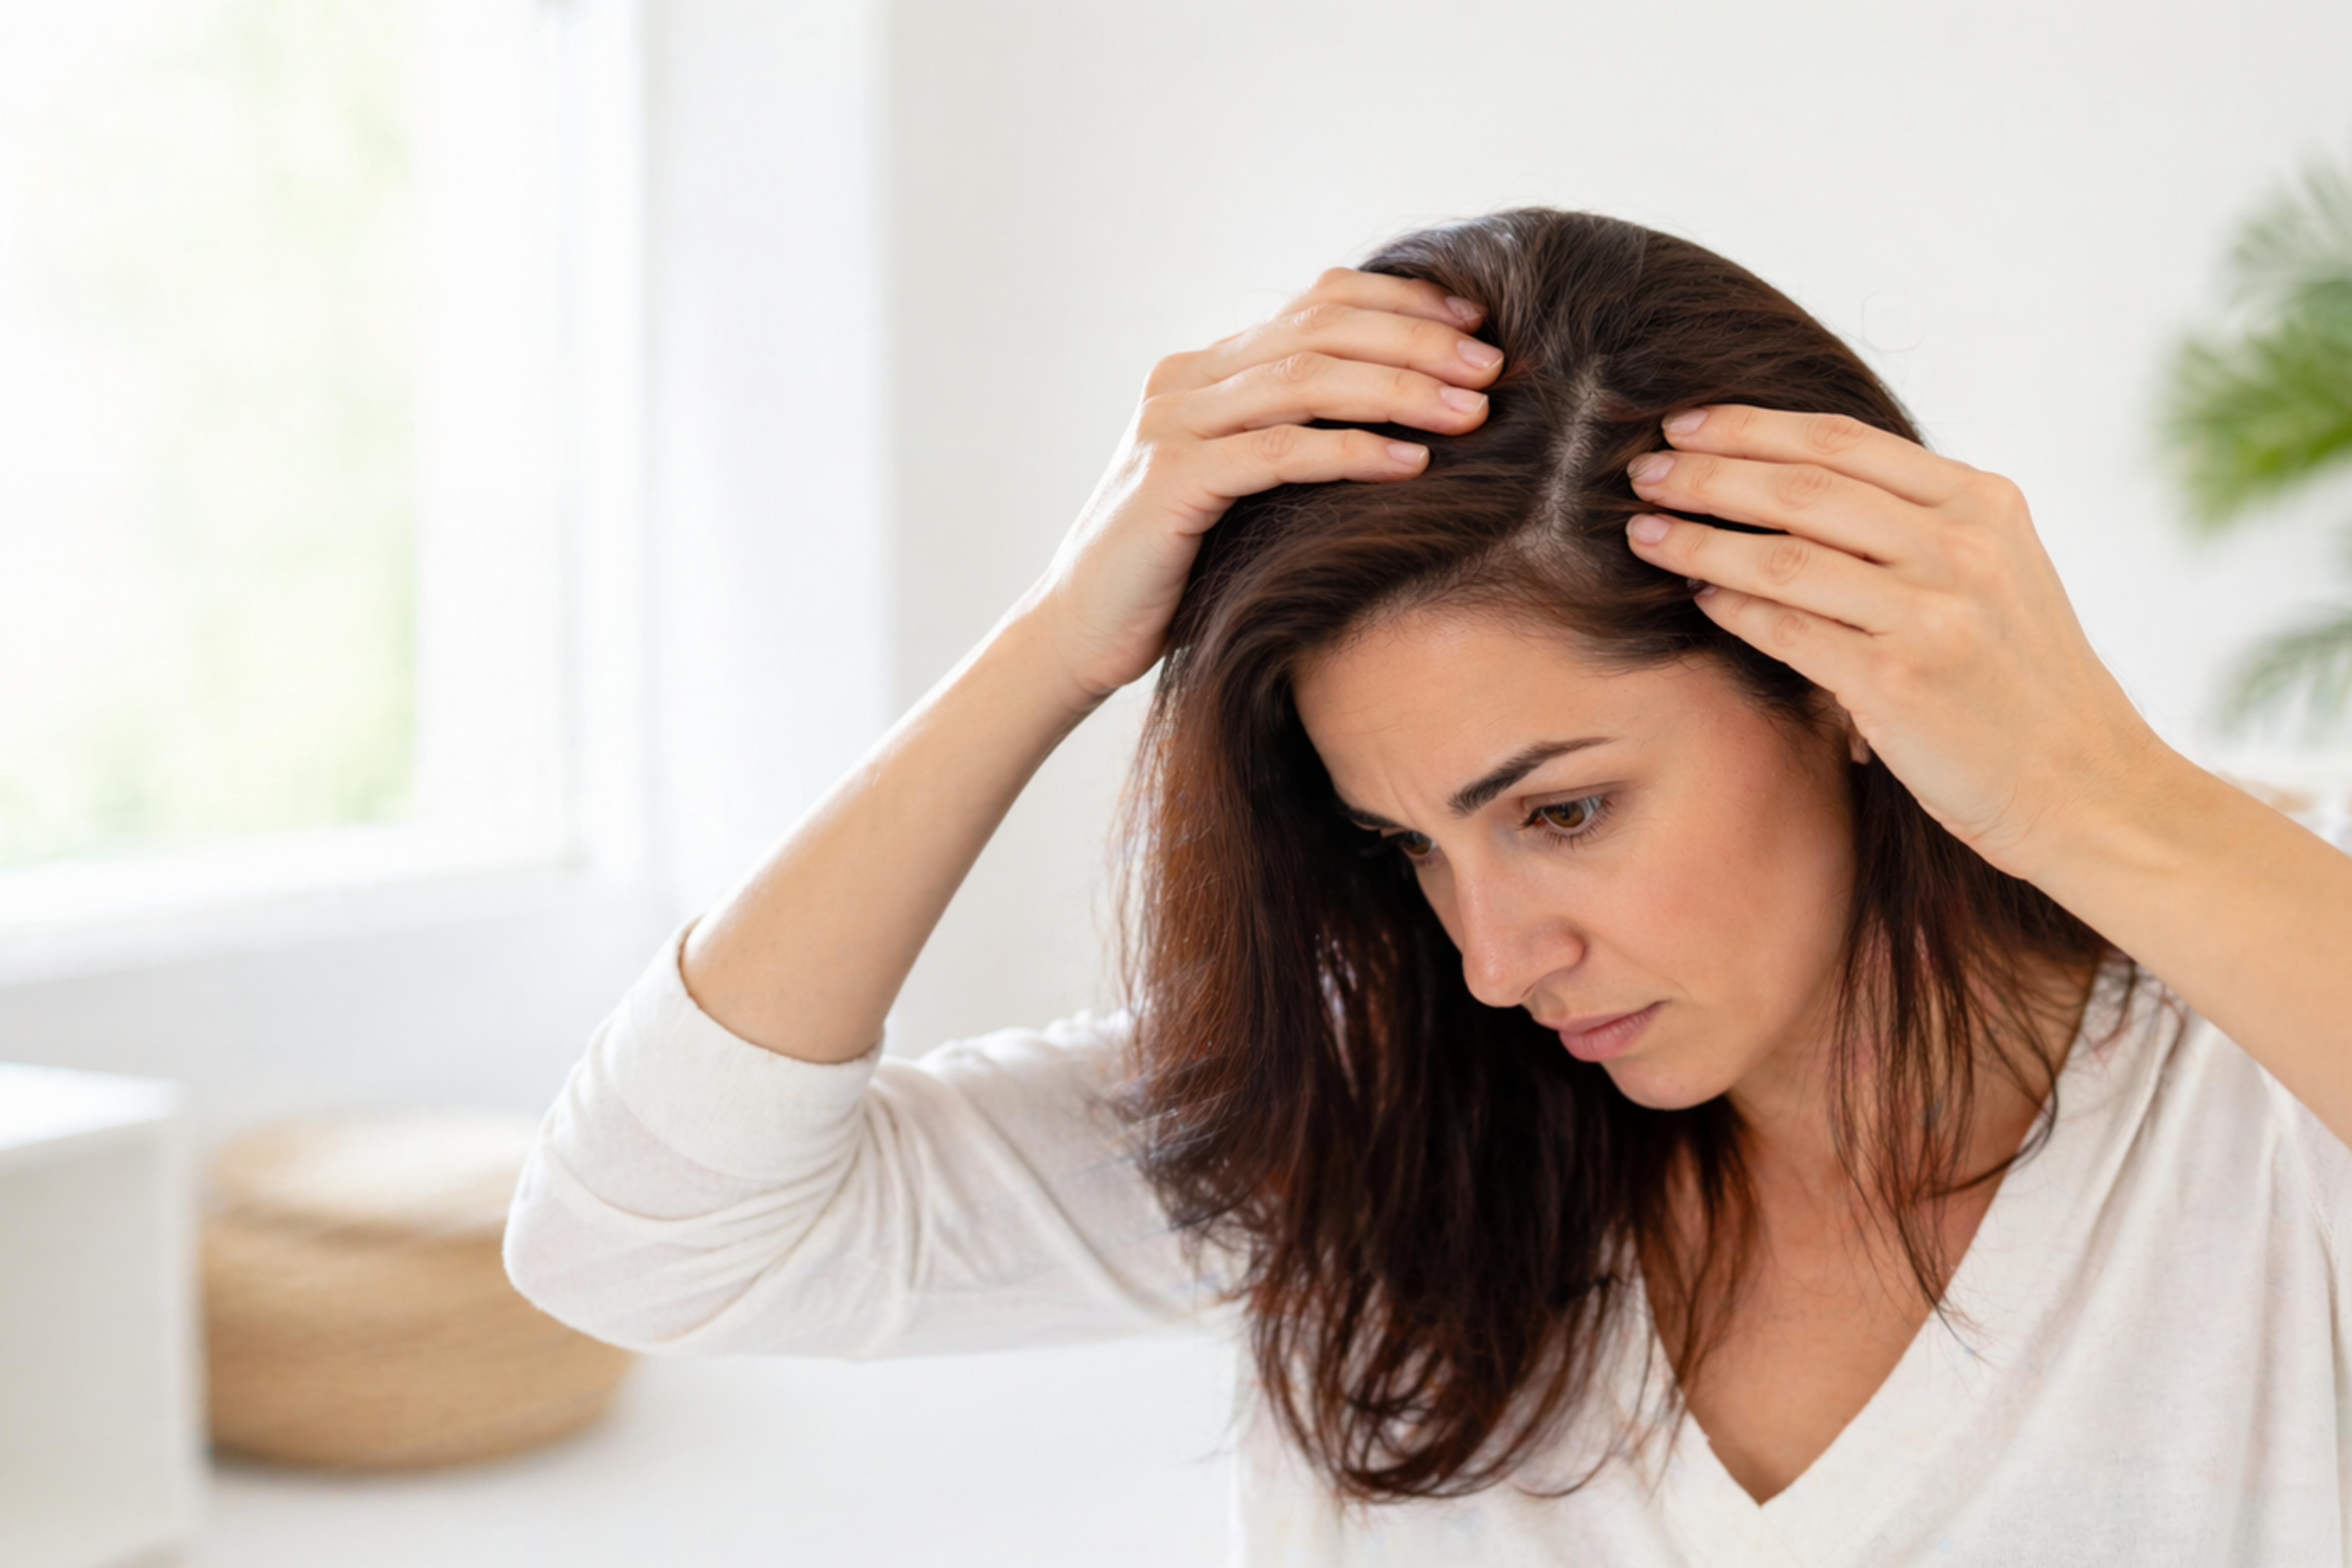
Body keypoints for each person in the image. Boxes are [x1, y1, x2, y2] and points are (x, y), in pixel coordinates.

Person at [506, 209, 2352, 1563]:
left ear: (1841, 685)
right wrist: (1057, 645)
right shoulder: (1387, 1113)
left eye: (1561, 811)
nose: (1492, 959)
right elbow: (640, 1232)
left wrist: (2097, 792)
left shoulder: (2258, 1090)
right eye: (1407, 847)